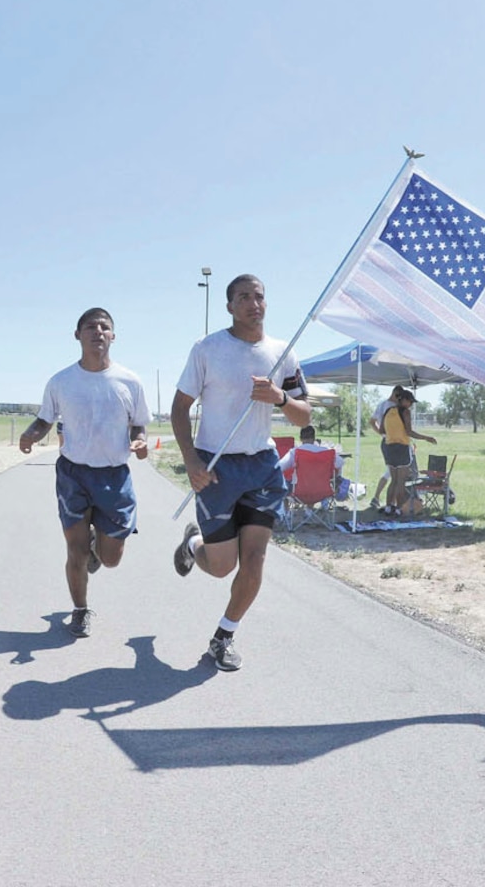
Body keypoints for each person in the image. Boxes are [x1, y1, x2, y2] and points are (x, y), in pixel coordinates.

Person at [171, 274, 311, 672]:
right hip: (215, 466)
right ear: (230, 306)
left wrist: (280, 397)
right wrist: (191, 462)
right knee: (221, 567)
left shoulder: (283, 353)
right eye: (244, 297)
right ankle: (193, 545)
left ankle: (223, 637)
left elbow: (304, 416)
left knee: (254, 560)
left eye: (260, 296)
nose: (254, 303)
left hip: (262, 467)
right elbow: (180, 409)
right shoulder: (208, 349)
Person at [17, 307, 150, 639]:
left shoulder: (130, 381)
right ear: (78, 335)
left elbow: (139, 426)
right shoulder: (61, 381)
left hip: (114, 476)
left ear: (113, 336)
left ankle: (98, 543)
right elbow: (45, 418)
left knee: (111, 558)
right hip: (73, 474)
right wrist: (32, 433)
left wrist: (140, 442)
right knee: (74, 551)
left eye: (105, 327)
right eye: (91, 327)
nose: (98, 332)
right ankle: (79, 610)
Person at [383, 388, 437, 518]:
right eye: (410, 402)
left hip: (389, 447)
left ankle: (388, 507)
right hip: (401, 447)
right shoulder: (405, 412)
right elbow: (409, 432)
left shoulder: (388, 411)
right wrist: (426, 438)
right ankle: (400, 509)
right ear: (404, 400)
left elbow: (381, 429)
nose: (411, 405)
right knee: (401, 481)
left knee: (394, 480)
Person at [368, 388, 402, 510]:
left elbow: (372, 422)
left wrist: (381, 434)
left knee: (390, 472)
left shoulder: (382, 405)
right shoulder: (391, 406)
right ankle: (387, 501)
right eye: (398, 396)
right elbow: (372, 422)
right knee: (393, 473)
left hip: (390, 441)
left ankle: (380, 499)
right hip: (392, 442)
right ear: (394, 393)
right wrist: (382, 433)